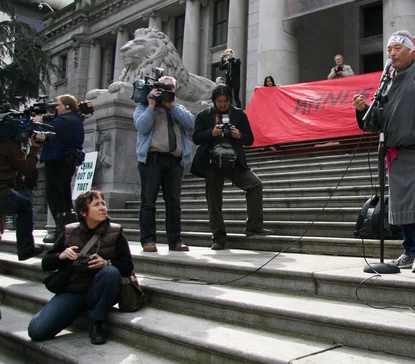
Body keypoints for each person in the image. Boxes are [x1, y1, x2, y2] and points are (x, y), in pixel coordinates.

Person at [352, 30, 415, 273]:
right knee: (403, 207)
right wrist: (363, 110)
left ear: (411, 50)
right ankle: (409, 251)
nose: (391, 53)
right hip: (397, 153)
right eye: (389, 49)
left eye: (397, 48)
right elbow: (379, 120)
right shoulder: (388, 82)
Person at [28, 189, 134, 345]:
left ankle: (97, 323)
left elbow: (127, 266)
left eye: (103, 204)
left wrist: (107, 263)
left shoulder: (116, 232)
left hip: (99, 291)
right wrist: (61, 256)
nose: (103, 208)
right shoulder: (70, 231)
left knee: (110, 272)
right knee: (36, 331)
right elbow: (46, 263)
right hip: (72, 292)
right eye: (96, 204)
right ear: (84, 212)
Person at [191, 85, 273, 250]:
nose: (222, 105)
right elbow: (196, 138)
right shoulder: (204, 116)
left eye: (225, 101)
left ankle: (253, 226)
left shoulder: (239, 115)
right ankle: (218, 238)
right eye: (219, 102)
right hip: (212, 162)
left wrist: (239, 135)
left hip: (234, 161)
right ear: (213, 101)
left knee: (255, 184)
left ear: (230, 100)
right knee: (213, 200)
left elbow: (249, 139)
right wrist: (211, 133)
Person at [134, 75, 195, 253]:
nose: (167, 90)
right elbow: (141, 127)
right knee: (148, 202)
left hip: (174, 161)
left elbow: (190, 123)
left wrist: (172, 107)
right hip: (152, 160)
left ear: (174, 90)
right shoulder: (143, 106)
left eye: (170, 87)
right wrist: (152, 106)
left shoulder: (177, 107)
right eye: (164, 87)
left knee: (174, 203)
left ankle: (175, 241)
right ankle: (148, 240)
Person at [40, 94, 85, 244]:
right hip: (64, 161)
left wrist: (38, 122)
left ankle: (61, 232)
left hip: (57, 161)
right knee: (64, 196)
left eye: (58, 105)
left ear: (67, 107)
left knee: (56, 197)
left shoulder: (65, 121)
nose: (56, 108)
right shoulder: (75, 120)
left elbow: (45, 131)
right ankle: (67, 230)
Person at [0, 122, 45, 260]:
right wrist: (35, 147)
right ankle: (26, 248)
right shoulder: (10, 144)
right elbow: (26, 168)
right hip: (2, 191)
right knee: (25, 206)